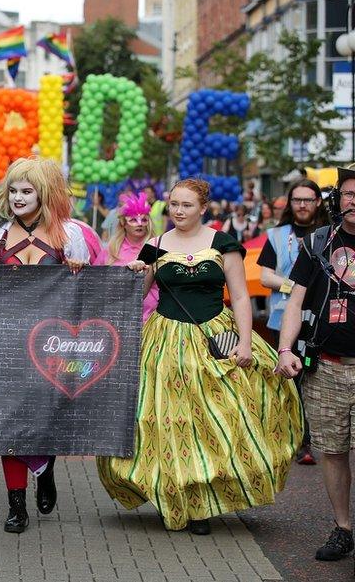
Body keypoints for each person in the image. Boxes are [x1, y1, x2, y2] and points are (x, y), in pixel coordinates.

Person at [97, 178, 302, 536]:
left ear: (203, 208)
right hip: (164, 341)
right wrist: (132, 274)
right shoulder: (155, 245)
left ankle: (203, 501)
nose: (178, 210)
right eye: (173, 204)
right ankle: (174, 497)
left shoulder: (223, 244)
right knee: (166, 421)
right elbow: (135, 297)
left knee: (215, 417)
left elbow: (239, 297)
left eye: (186, 205)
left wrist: (245, 343)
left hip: (215, 336)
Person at [0, 158, 89, 534]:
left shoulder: (69, 235)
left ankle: (46, 467)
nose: (18, 198)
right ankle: (16, 506)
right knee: (10, 427)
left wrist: (77, 270)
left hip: (50, 348)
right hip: (5, 345)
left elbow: (87, 291)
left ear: (45, 194)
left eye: (27, 191)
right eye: (14, 190)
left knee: (43, 421)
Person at [276, 166, 355, 561]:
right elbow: (294, 302)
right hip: (326, 365)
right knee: (333, 450)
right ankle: (343, 529)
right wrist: (285, 349)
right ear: (338, 199)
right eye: (348, 193)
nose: (354, 200)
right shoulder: (317, 243)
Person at [258, 178, 328, 466]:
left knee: (317, 377)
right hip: (284, 319)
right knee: (291, 379)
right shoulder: (276, 235)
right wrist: (294, 286)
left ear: (318, 202)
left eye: (308, 200)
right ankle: (298, 439)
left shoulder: (328, 234)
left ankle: (313, 436)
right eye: (297, 200)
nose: (302, 205)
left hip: (321, 321)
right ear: (290, 204)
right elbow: (265, 276)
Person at [103, 192, 159, 322]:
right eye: (133, 220)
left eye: (144, 219)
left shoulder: (156, 248)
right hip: (116, 318)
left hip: (150, 320)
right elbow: (97, 281)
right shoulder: (111, 250)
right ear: (123, 223)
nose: (139, 224)